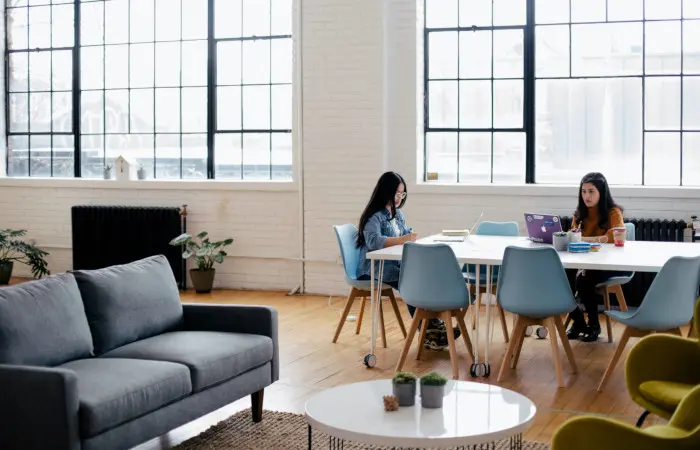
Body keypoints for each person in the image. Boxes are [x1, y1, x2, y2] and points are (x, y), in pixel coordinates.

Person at [355, 171, 459, 350]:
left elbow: (404, 234)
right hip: (374, 268)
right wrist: (403, 240)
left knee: (420, 277)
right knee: (412, 282)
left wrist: (409, 237)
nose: (399, 198)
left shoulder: (398, 215)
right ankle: (429, 331)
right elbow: (373, 242)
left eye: (402, 194)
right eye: (396, 193)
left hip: (394, 264)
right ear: (385, 191)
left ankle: (433, 328)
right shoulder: (375, 216)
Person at [566, 172, 625, 342]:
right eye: (584, 191)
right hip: (583, 260)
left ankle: (594, 325)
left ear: (601, 192)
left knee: (583, 280)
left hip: (608, 263)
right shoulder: (579, 214)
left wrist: (586, 239)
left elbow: (616, 236)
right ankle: (578, 321)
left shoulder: (613, 212)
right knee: (561, 277)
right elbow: (573, 236)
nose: (587, 196)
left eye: (591, 191)